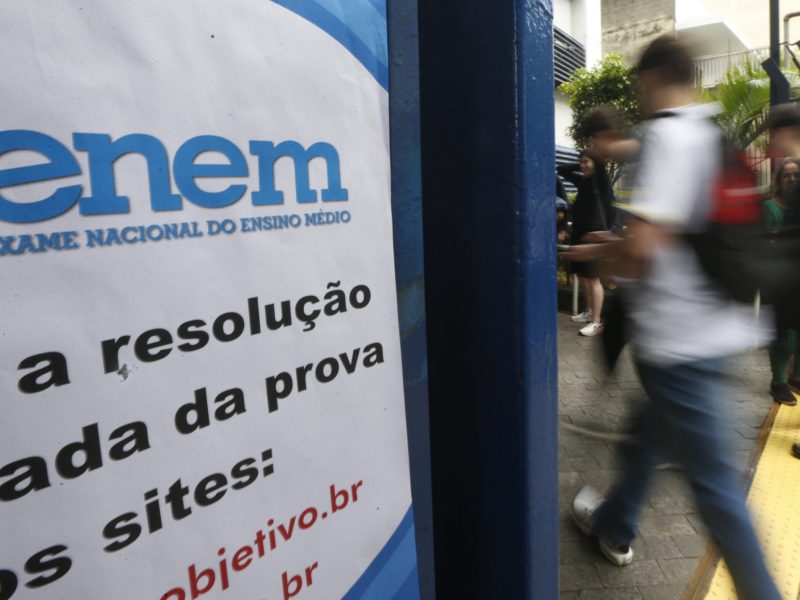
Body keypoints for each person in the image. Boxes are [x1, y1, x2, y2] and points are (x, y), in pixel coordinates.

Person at [565, 35, 782, 600]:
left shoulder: (667, 135)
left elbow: (643, 249)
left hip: (682, 342)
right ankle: (614, 522)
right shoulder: (711, 132)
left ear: (654, 76)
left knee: (716, 490)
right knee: (645, 438)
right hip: (720, 327)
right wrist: (611, 246)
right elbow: (680, 230)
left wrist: (595, 257)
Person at [557, 150, 616, 336]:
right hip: (580, 234)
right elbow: (561, 168)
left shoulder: (602, 181)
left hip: (594, 235)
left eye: (586, 162)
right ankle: (589, 311)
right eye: (580, 162)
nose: (582, 165)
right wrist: (581, 163)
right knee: (583, 276)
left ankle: (597, 322)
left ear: (596, 163)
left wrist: (593, 160)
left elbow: (612, 210)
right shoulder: (583, 180)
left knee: (592, 277)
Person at [764, 158, 800, 406]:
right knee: (784, 332)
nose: (792, 179)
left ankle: (796, 377)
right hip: (779, 277)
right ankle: (778, 381)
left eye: (796, 175)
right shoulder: (770, 207)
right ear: (778, 180)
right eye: (786, 175)